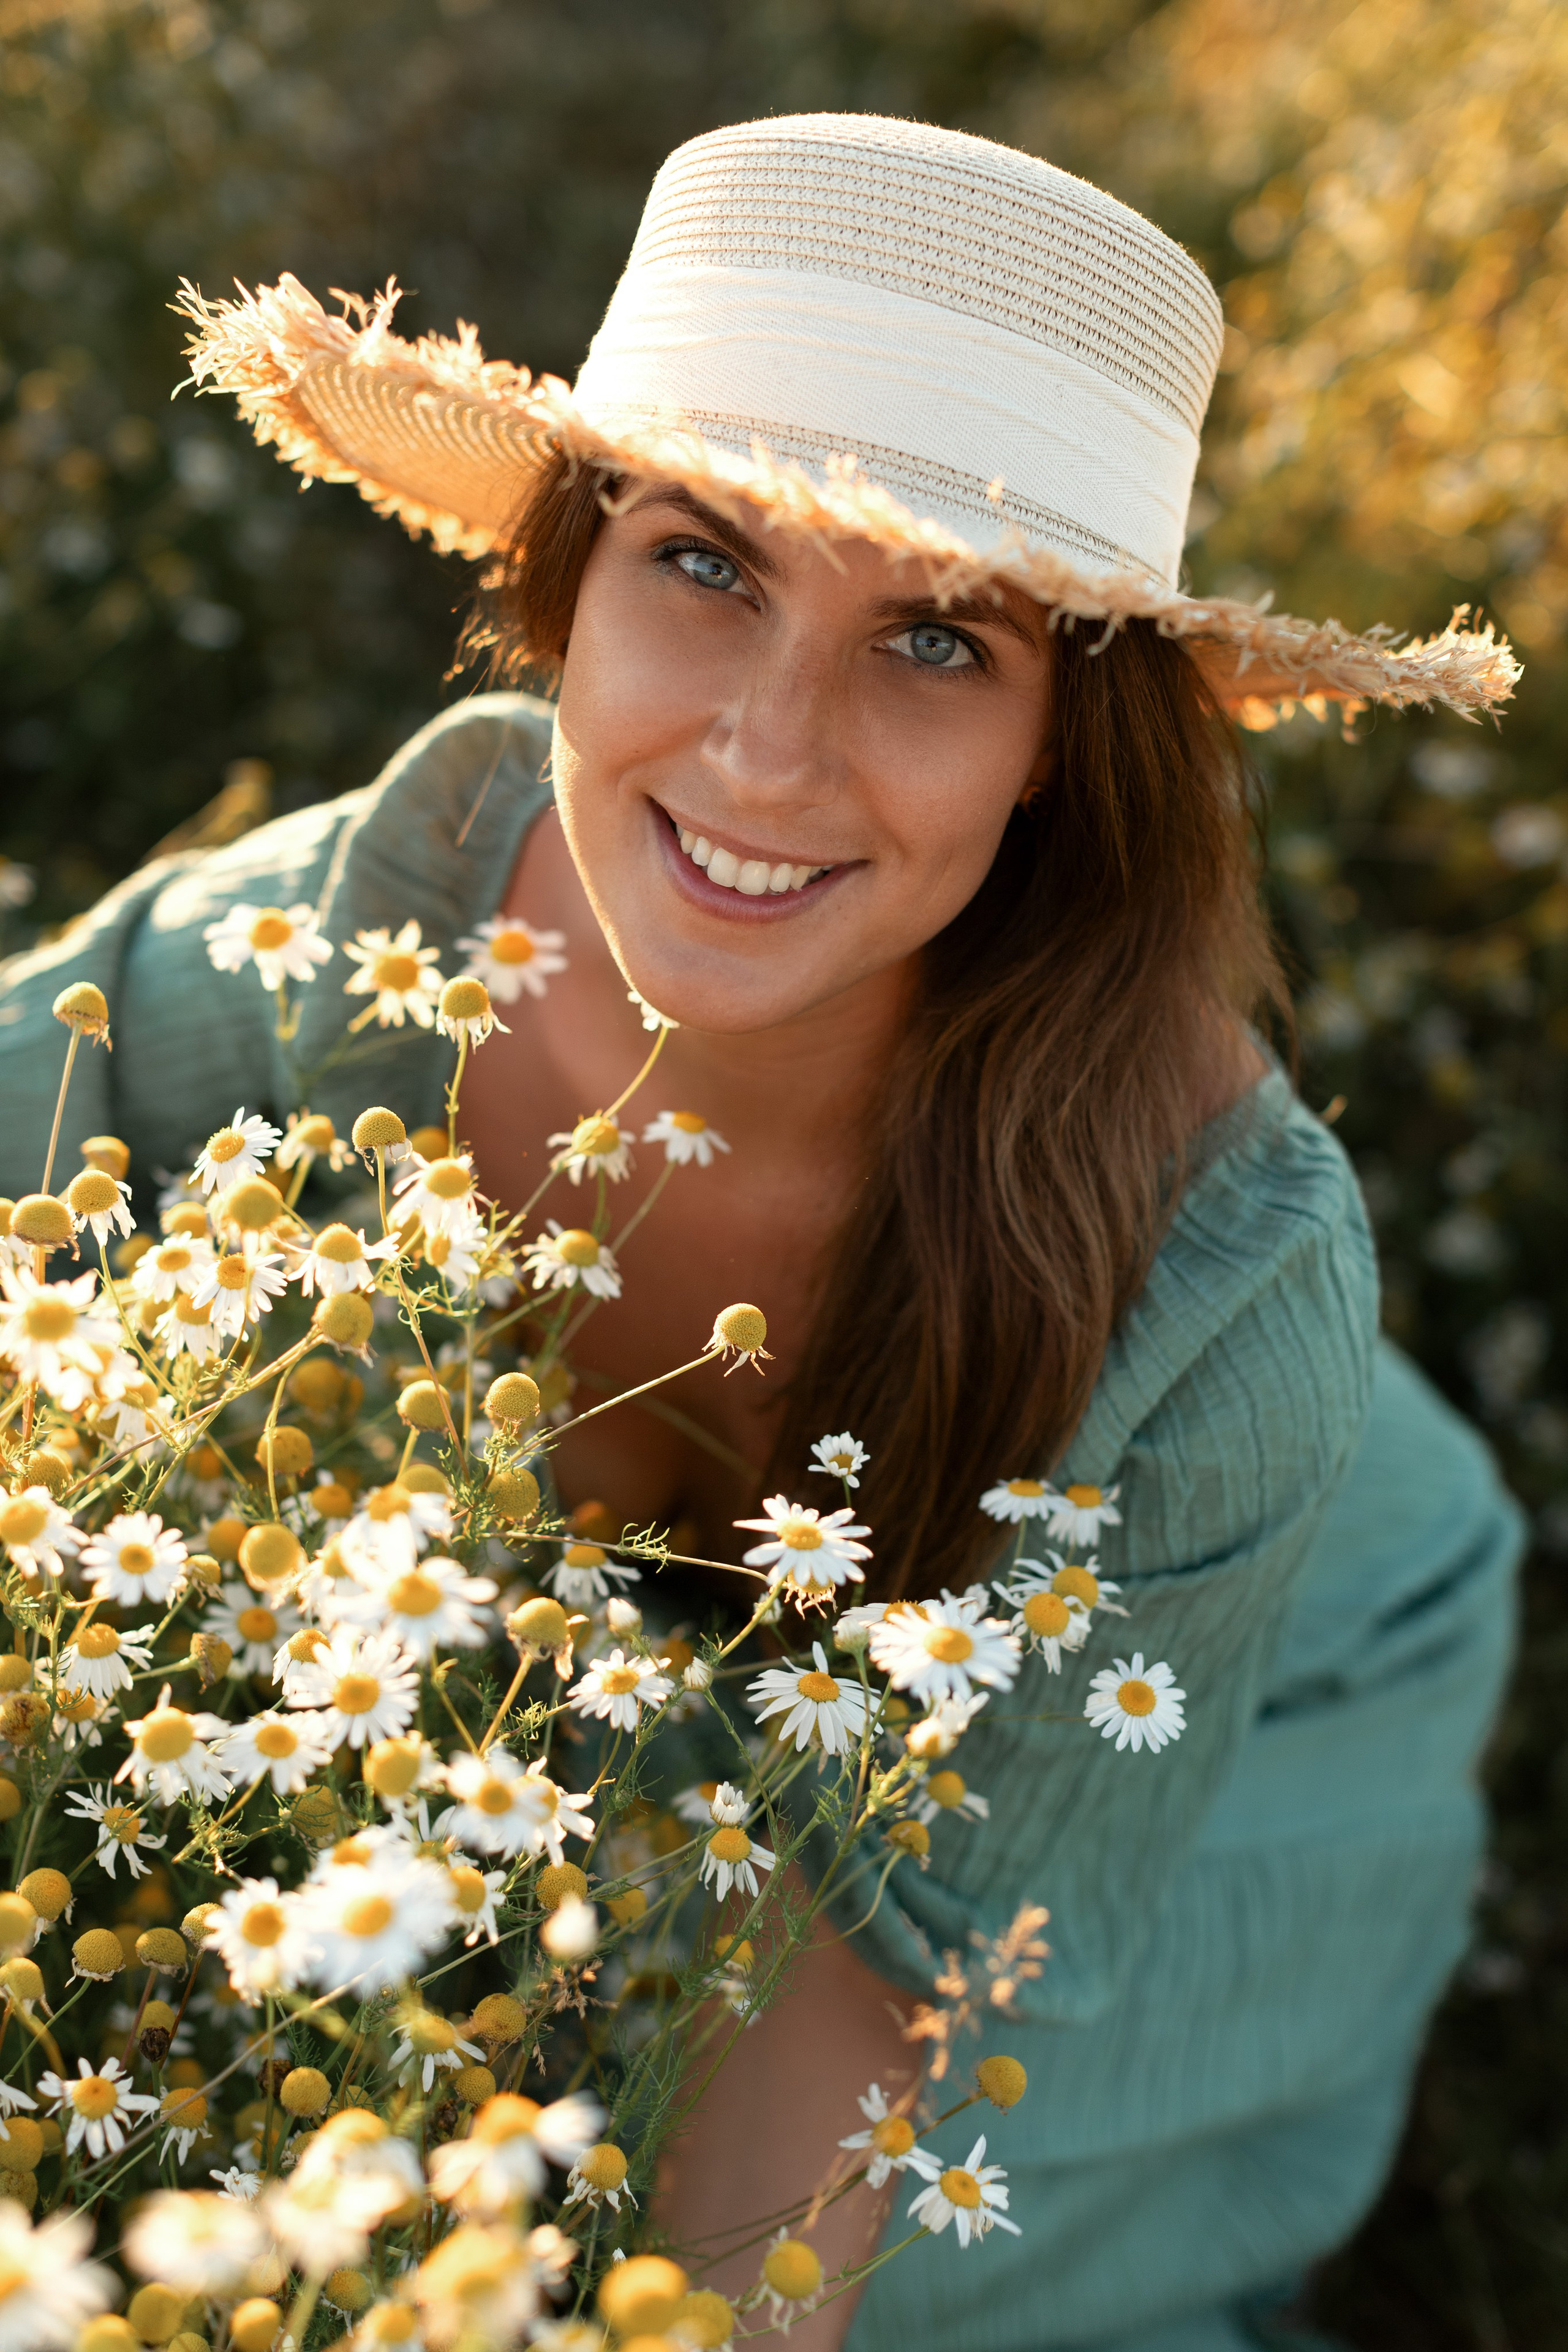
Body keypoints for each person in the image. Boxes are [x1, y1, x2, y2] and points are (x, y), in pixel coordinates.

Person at [0, 114, 1523, 2352]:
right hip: (637, 1740)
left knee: (888, 2277)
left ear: (1058, 749)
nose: (771, 750)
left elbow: (877, 2033)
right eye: (703, 565)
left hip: (1257, 1645)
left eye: (936, 639)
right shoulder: (260, 1000)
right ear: (559, 588)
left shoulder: (1225, 1311)